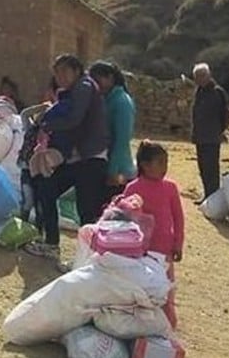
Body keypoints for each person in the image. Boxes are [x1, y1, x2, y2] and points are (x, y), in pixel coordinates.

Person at [25, 54, 109, 266]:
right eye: (57, 73)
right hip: (77, 158)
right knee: (47, 189)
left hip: (90, 157)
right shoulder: (73, 90)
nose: (60, 77)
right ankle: (52, 243)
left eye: (64, 71)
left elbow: (74, 119)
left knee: (86, 210)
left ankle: (88, 262)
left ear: (76, 70)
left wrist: (47, 125)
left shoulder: (84, 87)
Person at [122, 140, 184, 328]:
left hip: (164, 250)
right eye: (160, 163)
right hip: (140, 250)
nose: (165, 167)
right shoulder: (132, 188)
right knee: (140, 289)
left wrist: (178, 243)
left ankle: (167, 325)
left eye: (167, 162)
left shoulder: (170, 188)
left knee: (165, 290)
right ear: (145, 165)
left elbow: (178, 218)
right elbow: (124, 219)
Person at [89, 61, 136, 203]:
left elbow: (122, 139)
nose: (96, 85)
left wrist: (113, 171)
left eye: (98, 80)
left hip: (118, 171)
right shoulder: (106, 100)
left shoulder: (122, 102)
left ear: (110, 78)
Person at [191, 63, 229, 202]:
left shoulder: (217, 92)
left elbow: (225, 115)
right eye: (196, 77)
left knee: (211, 169)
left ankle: (213, 198)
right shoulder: (199, 92)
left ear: (208, 75)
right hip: (200, 136)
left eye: (201, 76)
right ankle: (207, 195)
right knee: (203, 167)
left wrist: (219, 131)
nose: (198, 80)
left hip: (212, 137)